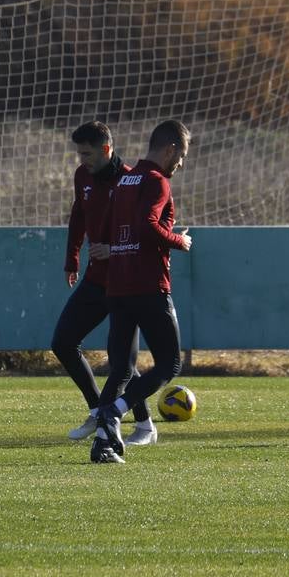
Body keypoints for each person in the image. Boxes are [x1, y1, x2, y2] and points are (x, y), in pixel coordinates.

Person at [89, 120, 193, 464]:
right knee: (170, 362)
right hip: (148, 285)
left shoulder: (124, 180)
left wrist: (113, 250)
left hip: (118, 286)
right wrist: (180, 241)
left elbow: (104, 229)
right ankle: (115, 412)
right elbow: (148, 226)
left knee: (120, 368)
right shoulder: (156, 181)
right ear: (170, 149)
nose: (181, 164)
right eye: (182, 155)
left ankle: (102, 445)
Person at [50, 122, 152, 444]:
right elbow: (78, 215)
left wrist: (113, 249)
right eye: (79, 153)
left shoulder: (133, 180)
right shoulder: (83, 176)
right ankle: (99, 411)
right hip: (96, 279)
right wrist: (72, 259)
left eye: (88, 153)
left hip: (126, 281)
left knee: (120, 359)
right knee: (63, 342)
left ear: (107, 149)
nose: (82, 160)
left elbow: (144, 232)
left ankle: (145, 425)